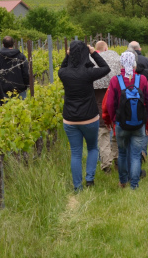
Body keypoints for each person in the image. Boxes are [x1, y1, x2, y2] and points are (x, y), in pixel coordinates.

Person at [58, 40, 110, 192]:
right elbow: (105, 68)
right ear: (85, 54)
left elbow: (62, 67)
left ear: (71, 54)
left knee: (76, 153)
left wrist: (67, 56)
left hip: (70, 119)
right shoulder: (88, 73)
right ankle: (90, 179)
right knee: (93, 148)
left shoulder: (64, 74)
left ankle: (77, 186)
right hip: (89, 117)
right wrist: (94, 52)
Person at [103, 51, 148, 190]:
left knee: (122, 153)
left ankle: (123, 182)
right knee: (136, 155)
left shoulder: (115, 80)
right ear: (134, 64)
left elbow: (109, 104)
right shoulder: (142, 79)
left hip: (121, 125)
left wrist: (112, 120)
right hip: (138, 125)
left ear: (121, 64)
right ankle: (134, 185)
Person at [92, 41, 121, 173]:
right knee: (115, 129)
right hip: (115, 99)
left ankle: (105, 163)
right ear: (106, 48)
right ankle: (117, 158)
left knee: (103, 131)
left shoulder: (91, 60)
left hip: (98, 100)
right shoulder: (114, 56)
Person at [128, 41, 148, 165]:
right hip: (145, 98)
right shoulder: (147, 61)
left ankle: (132, 151)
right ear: (139, 48)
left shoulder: (126, 61)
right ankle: (142, 151)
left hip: (129, 99)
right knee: (144, 126)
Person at [0, 36, 29, 102]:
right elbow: (26, 73)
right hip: (20, 90)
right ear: (13, 44)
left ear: (3, 44)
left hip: (3, 91)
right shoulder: (21, 56)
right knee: (22, 110)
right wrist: (25, 86)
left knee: (6, 111)